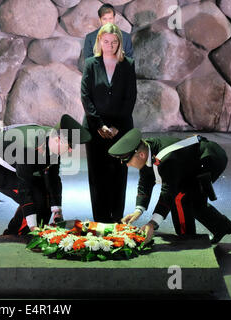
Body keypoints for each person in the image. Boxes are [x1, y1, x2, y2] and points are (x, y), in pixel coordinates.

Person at [108, 128, 231, 245]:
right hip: (188, 163)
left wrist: (152, 224)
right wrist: (138, 210)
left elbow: (167, 193)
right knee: (191, 200)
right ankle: (222, 227)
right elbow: (145, 181)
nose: (126, 165)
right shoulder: (146, 150)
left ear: (140, 155)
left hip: (209, 159)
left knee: (182, 198)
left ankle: (187, 237)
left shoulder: (166, 159)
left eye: (126, 160)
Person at [0, 114, 91, 235]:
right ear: (58, 139)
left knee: (45, 198)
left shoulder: (52, 141)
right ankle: (18, 235)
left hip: (15, 163)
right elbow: (24, 185)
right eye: (70, 145)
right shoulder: (28, 148)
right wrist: (32, 225)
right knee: (35, 198)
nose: (70, 150)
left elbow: (52, 177)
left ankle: (30, 232)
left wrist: (57, 210)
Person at [81, 23, 137, 223]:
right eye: (106, 41)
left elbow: (130, 97)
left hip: (121, 129)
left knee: (118, 173)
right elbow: (86, 96)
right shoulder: (90, 64)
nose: (110, 45)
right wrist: (99, 125)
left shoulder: (127, 64)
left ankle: (117, 218)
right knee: (97, 174)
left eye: (114, 42)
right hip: (95, 129)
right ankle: (100, 219)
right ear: (99, 42)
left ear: (119, 43)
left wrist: (116, 126)